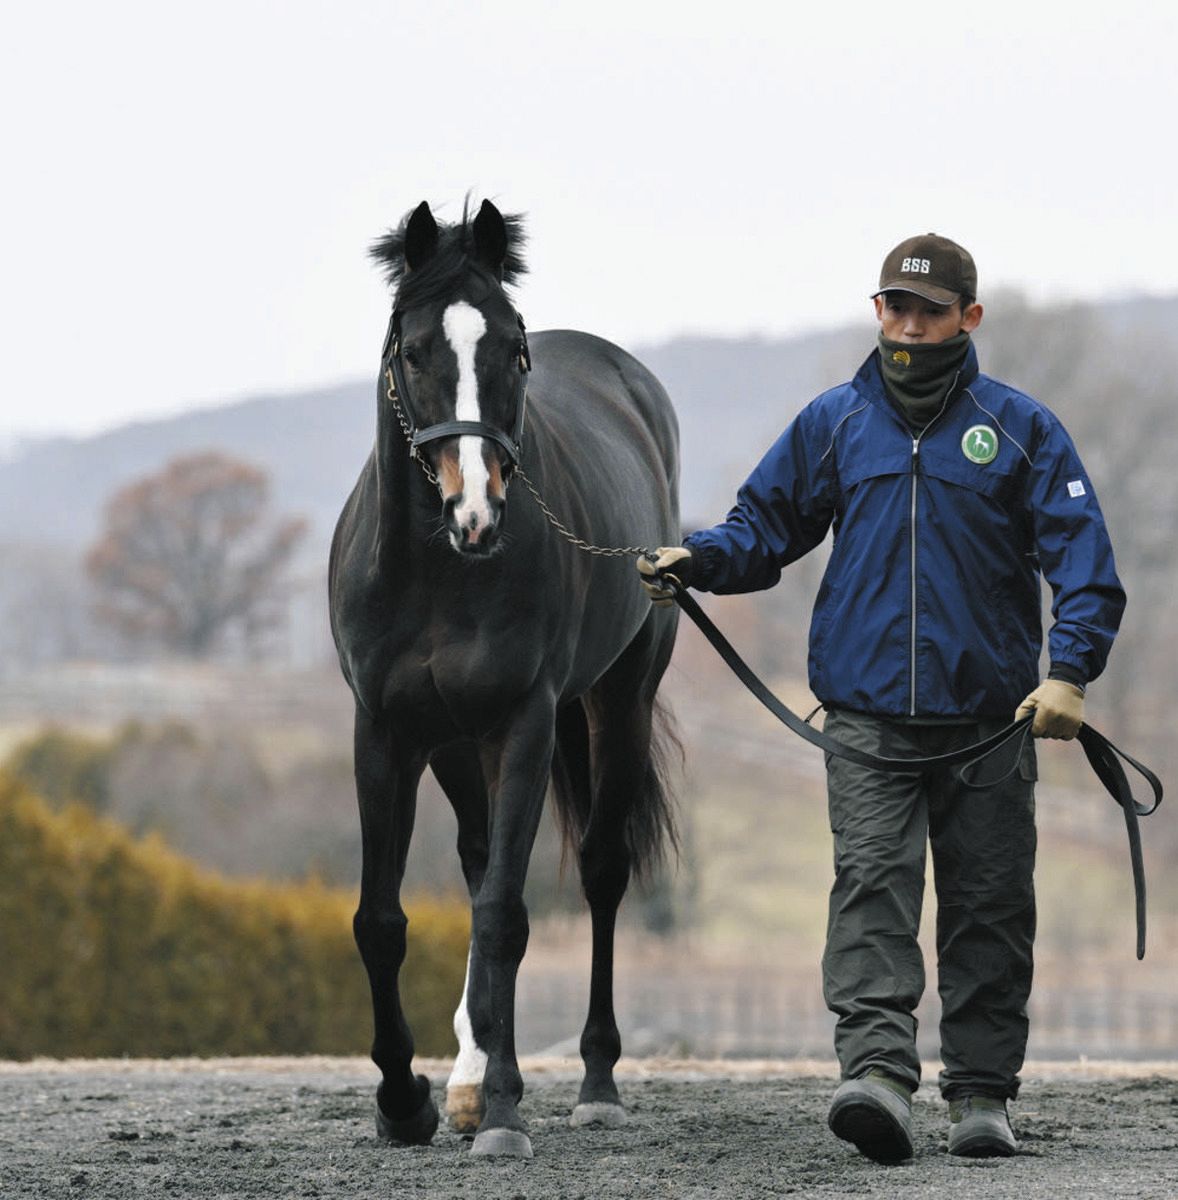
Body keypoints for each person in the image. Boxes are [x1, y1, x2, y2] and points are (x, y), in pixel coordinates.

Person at [638, 234, 1125, 1161]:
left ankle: (982, 1095)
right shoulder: (832, 423)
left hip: (989, 723)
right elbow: (765, 528)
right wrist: (696, 558)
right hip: (864, 724)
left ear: (968, 319)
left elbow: (1086, 566)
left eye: (929, 311)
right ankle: (876, 1079)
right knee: (871, 894)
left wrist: (1069, 672)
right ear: (877, 310)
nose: (909, 326)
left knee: (989, 907)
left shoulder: (1023, 429)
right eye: (895, 307)